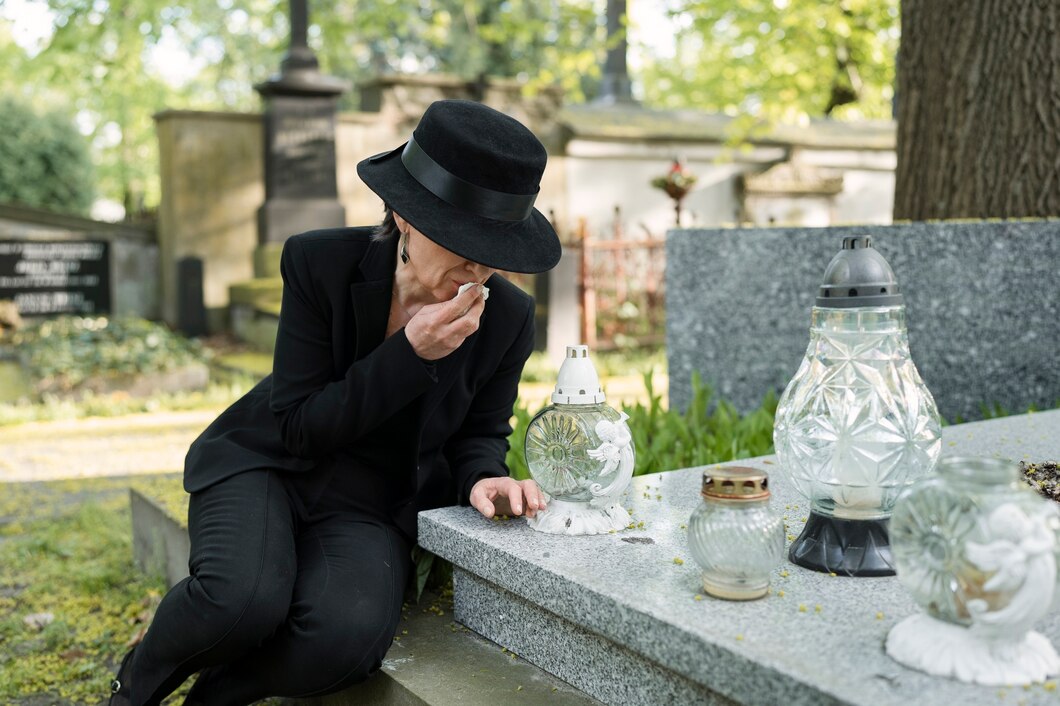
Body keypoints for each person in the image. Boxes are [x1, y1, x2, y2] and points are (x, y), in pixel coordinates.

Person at [108, 99, 561, 705]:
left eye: (493, 248)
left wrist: (485, 478)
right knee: (240, 601)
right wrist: (410, 353)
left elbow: (481, 431)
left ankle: (214, 697)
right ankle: (134, 686)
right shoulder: (317, 261)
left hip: (371, 500)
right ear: (403, 214)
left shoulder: (508, 317)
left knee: (343, 641)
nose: (475, 266)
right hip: (268, 460)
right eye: (458, 240)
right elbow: (298, 427)